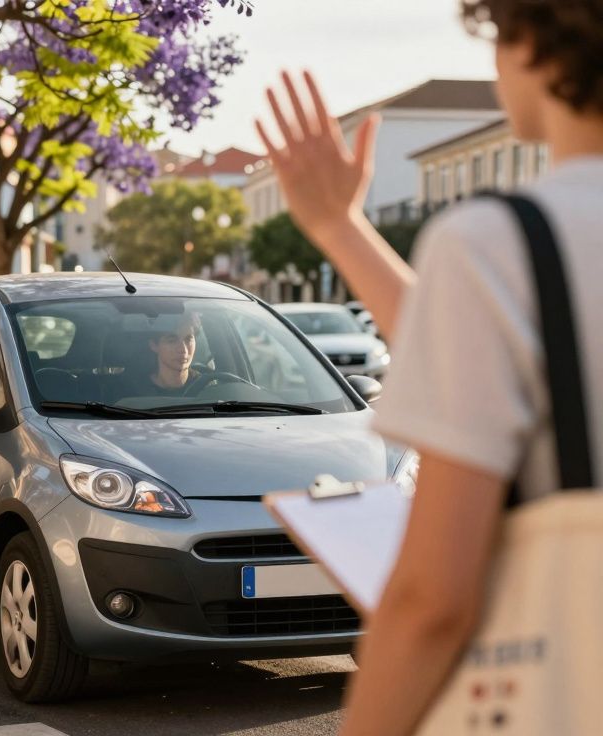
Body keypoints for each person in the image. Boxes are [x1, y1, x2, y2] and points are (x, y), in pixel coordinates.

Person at [254, 1, 603, 732]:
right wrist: (341, 230)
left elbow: (432, 603)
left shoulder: (496, 245)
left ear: (532, 43)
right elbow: (507, 345)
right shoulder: (507, 256)